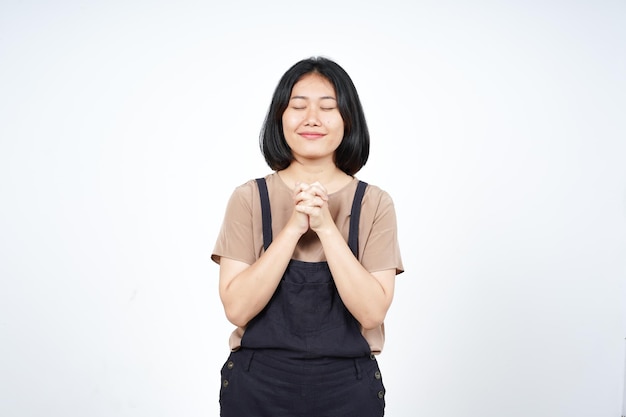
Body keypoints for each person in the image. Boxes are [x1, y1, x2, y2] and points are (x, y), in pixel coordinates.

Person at [211, 56, 404, 417]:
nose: (312, 117)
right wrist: (294, 227)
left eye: (328, 107)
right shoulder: (249, 198)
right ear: (280, 118)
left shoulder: (374, 203)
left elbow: (372, 312)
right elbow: (236, 308)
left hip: (347, 389)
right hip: (257, 388)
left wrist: (326, 228)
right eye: (298, 106)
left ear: (348, 119)